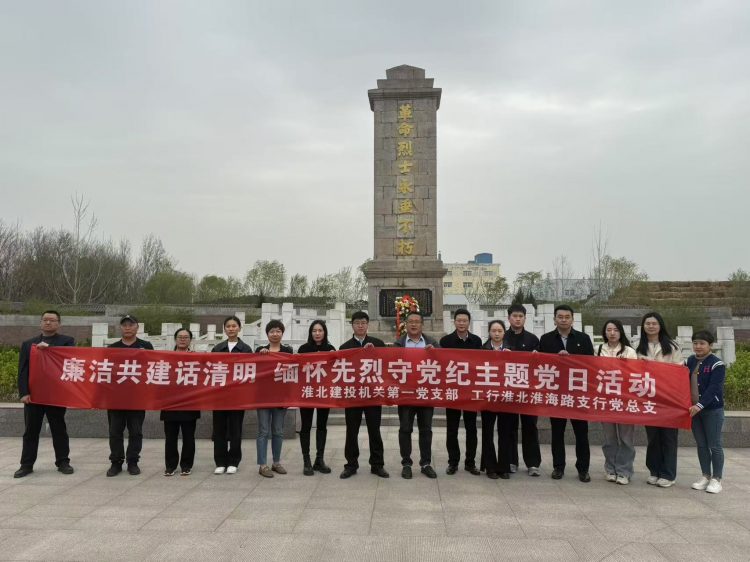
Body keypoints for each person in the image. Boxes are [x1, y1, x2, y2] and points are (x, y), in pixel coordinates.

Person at [14, 310, 75, 478]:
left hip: (56, 395)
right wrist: (24, 392)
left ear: (58, 324)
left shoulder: (67, 341)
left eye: (52, 320)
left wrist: (50, 350)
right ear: (40, 323)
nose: (48, 322)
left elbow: (70, 360)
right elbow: (23, 370)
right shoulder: (29, 344)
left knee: (59, 429)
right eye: (45, 320)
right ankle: (26, 465)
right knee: (30, 431)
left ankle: (63, 462)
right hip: (34, 396)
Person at [538, 304, 594, 482]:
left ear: (572, 319)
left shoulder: (583, 339)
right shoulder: (546, 339)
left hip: (577, 393)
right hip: (556, 393)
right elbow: (541, 365)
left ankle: (583, 469)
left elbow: (591, 364)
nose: (563, 320)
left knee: (581, 433)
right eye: (560, 317)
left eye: (567, 317)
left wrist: (572, 360)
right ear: (554, 319)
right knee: (557, 433)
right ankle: (558, 467)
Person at [635, 312, 684, 488]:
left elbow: (679, 370)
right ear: (643, 326)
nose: (651, 326)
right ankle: (654, 471)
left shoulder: (672, 346)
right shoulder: (638, 347)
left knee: (668, 437)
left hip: (669, 398)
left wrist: (652, 364)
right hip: (648, 397)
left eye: (654, 323)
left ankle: (668, 474)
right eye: (647, 323)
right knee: (653, 437)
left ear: (660, 325)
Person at [339, 311, 389, 479]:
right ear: (352, 325)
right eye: (357, 323)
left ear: (368, 325)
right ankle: (351, 465)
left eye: (363, 323)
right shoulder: (345, 347)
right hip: (353, 395)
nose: (360, 326)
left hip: (373, 395)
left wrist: (374, 353)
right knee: (351, 431)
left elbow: (385, 366)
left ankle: (377, 465)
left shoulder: (378, 344)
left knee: (374, 430)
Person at [393, 311, 440, 479]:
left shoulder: (432, 343)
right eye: (410, 321)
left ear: (422, 324)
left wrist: (435, 353)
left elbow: (443, 363)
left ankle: (426, 463)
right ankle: (406, 463)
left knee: (426, 430)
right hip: (405, 394)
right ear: (405, 324)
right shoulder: (398, 344)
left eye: (417, 321)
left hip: (425, 393)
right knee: (405, 429)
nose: (413, 324)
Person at [106, 314, 154, 477]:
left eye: (131, 325)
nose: (127, 328)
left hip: (137, 398)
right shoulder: (112, 348)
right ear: (121, 327)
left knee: (135, 431)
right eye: (124, 325)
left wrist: (145, 356)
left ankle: (133, 462)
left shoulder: (145, 346)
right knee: (115, 432)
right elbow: (106, 372)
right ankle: (116, 462)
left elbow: (152, 369)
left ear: (137, 327)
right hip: (116, 398)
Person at [440, 308, 482, 475]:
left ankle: (470, 463)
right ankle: (453, 462)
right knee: (452, 429)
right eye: (459, 320)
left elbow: (480, 364)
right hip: (453, 391)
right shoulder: (446, 341)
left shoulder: (476, 341)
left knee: (471, 429)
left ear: (469, 322)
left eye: (464, 321)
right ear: (454, 322)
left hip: (470, 392)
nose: (462, 323)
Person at [597, 319, 638, 485]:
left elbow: (636, 374)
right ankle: (610, 469)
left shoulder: (629, 351)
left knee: (626, 438)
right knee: (609, 438)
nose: (612, 333)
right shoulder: (598, 349)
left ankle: (624, 471)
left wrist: (625, 366)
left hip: (625, 400)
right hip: (605, 399)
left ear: (621, 332)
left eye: (615, 330)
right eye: (609, 330)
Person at [503, 304, 542, 476]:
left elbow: (541, 365)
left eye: (520, 316)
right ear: (509, 318)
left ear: (525, 318)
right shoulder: (502, 337)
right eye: (514, 316)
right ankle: (511, 461)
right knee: (510, 426)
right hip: (509, 389)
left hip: (528, 391)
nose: (517, 319)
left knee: (530, 427)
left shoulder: (533, 339)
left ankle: (533, 463)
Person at [211, 315, 253, 475]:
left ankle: (234, 461)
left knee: (235, 429)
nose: (231, 329)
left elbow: (250, 372)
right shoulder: (217, 348)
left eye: (234, 326)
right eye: (228, 326)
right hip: (219, 396)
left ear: (239, 328)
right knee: (219, 429)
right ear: (224, 329)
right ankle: (220, 461)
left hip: (237, 397)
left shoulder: (246, 349)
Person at [687, 330, 725, 494]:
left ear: (710, 345)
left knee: (714, 445)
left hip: (712, 411)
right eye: (695, 343)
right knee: (701, 445)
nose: (698, 346)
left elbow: (714, 388)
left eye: (702, 343)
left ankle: (716, 479)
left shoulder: (717, 364)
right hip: (694, 411)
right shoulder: (689, 361)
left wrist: (700, 405)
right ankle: (705, 475)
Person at [297, 320, 336, 476]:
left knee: (321, 426)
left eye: (320, 330)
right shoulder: (303, 349)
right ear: (310, 333)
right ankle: (306, 461)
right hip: (306, 392)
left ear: (325, 332)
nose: (317, 333)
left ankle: (319, 460)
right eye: (314, 331)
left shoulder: (330, 349)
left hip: (323, 392)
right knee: (306, 426)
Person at [255, 319, 293, 478]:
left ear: (282, 333)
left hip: (280, 397)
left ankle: (276, 462)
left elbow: (293, 370)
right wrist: (261, 355)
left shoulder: (288, 351)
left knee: (278, 431)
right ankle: (262, 465)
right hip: (263, 397)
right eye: (272, 331)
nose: (275, 334)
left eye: (278, 331)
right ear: (267, 334)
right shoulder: (260, 350)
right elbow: (255, 370)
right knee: (263, 431)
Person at [161, 328, 200, 476]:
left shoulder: (196, 358)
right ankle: (170, 466)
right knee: (170, 437)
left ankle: (186, 465)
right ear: (175, 339)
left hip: (190, 403)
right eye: (180, 337)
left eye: (186, 337)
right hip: (170, 403)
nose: (183, 339)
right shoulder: (167, 358)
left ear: (190, 340)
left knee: (188, 437)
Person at [480, 320, 512, 479]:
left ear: (504, 332)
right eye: (494, 331)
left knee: (505, 433)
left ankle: (504, 467)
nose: (497, 333)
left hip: (506, 397)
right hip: (488, 397)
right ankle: (490, 467)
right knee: (487, 433)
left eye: (500, 331)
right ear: (489, 332)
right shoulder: (482, 349)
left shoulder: (512, 350)